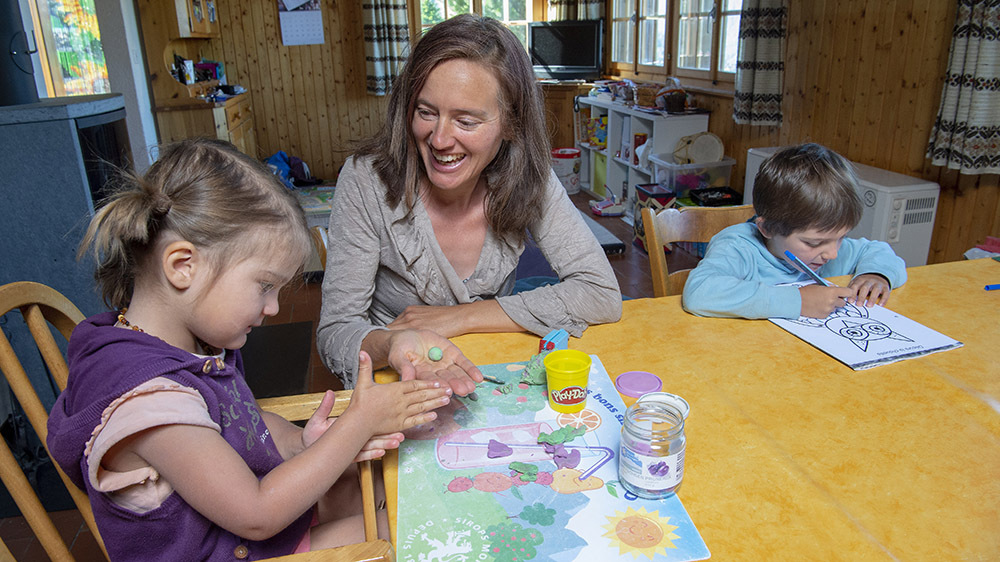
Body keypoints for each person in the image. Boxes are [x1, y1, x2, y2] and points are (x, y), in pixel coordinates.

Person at [45, 138, 454, 561]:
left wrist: (299, 442)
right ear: (183, 266)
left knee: (371, 482)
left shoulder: (190, 346)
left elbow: (244, 417)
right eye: (264, 286)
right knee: (414, 526)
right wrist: (358, 423)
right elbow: (256, 514)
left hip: (253, 535)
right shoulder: (151, 402)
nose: (274, 308)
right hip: (240, 543)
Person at [318, 15, 622, 394]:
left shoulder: (532, 176)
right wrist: (391, 343)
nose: (440, 139)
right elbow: (335, 332)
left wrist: (459, 317)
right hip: (395, 386)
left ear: (511, 124)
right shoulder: (366, 180)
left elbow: (602, 293)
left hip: (492, 375)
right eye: (426, 112)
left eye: (465, 121)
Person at [682, 143, 907, 319]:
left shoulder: (831, 248)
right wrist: (798, 301)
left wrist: (876, 275)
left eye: (841, 238)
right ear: (768, 228)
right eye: (813, 243)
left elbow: (879, 251)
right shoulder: (738, 247)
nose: (833, 254)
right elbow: (699, 292)